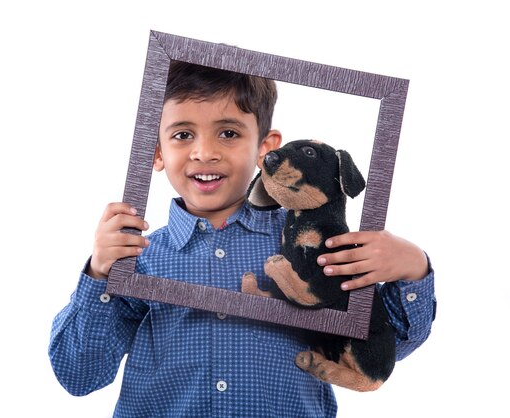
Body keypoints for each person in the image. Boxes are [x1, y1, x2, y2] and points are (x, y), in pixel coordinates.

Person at [49, 61, 436, 417]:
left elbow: (388, 345)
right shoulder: (141, 258)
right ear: (156, 151)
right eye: (183, 134)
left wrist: (413, 268)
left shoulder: (314, 243)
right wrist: (100, 274)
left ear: (265, 148)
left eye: (229, 133)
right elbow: (79, 375)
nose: (205, 152)